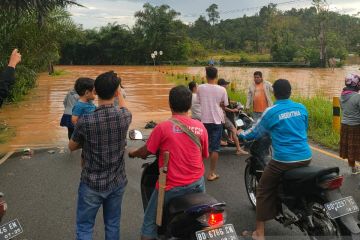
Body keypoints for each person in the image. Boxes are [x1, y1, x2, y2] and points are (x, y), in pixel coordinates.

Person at [128, 85, 209, 240]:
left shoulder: (162, 128)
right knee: (201, 218)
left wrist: (133, 153)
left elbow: (146, 151)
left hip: (171, 187)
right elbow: (204, 154)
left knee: (149, 223)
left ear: (170, 104)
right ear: (189, 105)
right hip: (197, 184)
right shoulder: (201, 127)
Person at [239, 79, 312, 240]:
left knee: (263, 190)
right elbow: (304, 128)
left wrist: (240, 134)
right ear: (290, 91)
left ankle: (259, 233)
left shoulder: (271, 112)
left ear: (274, 93)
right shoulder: (301, 108)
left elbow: (255, 131)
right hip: (306, 157)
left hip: (283, 161)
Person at [68, 71, 132, 240]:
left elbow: (71, 146)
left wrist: (89, 141)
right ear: (117, 92)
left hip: (91, 183)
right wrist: (119, 91)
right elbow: (124, 107)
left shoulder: (86, 121)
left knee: (85, 227)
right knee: (112, 224)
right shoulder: (125, 117)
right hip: (116, 181)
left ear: (95, 91)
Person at [197, 66, 228, 181]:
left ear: (206, 75)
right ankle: (211, 173)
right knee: (215, 148)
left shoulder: (200, 88)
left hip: (204, 120)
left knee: (200, 147)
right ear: (216, 76)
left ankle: (197, 172)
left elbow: (199, 101)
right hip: (217, 121)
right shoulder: (222, 89)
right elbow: (224, 105)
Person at [217, 78, 248, 155]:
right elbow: (223, 106)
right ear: (222, 85)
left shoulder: (217, 92)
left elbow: (225, 102)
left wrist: (234, 102)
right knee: (234, 129)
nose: (227, 85)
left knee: (231, 128)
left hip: (219, 115)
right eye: (226, 84)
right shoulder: (222, 92)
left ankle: (230, 140)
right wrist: (233, 110)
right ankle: (238, 150)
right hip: (222, 115)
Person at [339, 73, 360, 175]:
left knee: (349, 148)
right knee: (357, 147)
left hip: (344, 125)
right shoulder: (357, 97)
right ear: (356, 84)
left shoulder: (341, 96)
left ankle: (353, 169)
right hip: (356, 126)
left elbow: (343, 110)